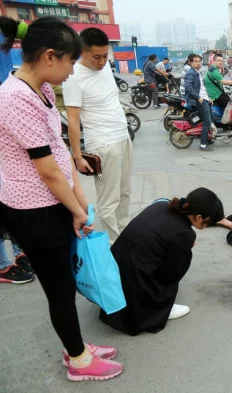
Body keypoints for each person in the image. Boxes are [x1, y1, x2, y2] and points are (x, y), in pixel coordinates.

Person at [0, 16, 123, 381]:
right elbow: (48, 169)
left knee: (65, 282)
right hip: (33, 210)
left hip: (54, 202)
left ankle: (77, 347)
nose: (73, 70)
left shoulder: (38, 92)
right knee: (60, 288)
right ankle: (79, 361)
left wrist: (79, 198)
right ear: (50, 56)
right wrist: (78, 211)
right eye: (71, 61)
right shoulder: (15, 98)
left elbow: (60, 150)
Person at [99, 188, 225, 336]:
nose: (206, 227)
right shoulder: (183, 234)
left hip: (113, 273)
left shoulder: (162, 204)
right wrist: (185, 249)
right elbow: (170, 274)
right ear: (198, 217)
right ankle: (159, 306)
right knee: (181, 260)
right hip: (134, 288)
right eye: (207, 223)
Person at [63, 28, 133, 245]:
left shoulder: (104, 68)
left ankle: (125, 238)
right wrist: (77, 156)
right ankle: (115, 247)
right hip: (103, 144)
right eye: (97, 57)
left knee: (125, 194)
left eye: (105, 56)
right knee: (108, 201)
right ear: (82, 52)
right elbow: (73, 121)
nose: (102, 61)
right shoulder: (73, 77)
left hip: (123, 137)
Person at [184, 54, 215, 152]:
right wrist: (198, 97)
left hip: (205, 99)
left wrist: (209, 97)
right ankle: (203, 145)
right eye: (196, 61)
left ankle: (207, 139)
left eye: (199, 61)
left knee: (210, 119)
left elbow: (203, 88)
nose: (198, 63)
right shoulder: (191, 73)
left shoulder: (198, 72)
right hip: (200, 101)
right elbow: (188, 87)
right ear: (190, 62)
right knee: (206, 122)